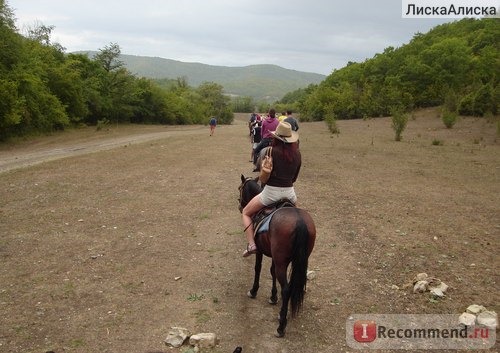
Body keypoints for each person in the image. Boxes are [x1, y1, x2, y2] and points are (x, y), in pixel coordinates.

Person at [241, 121, 301, 257]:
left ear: (276, 137)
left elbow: (262, 179)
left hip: (270, 194)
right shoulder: (298, 154)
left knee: (245, 212)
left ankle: (252, 245)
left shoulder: (269, 151)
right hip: (290, 194)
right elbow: (294, 178)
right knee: (299, 219)